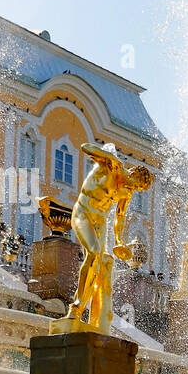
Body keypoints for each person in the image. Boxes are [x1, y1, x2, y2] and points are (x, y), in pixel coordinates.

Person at [58, 143, 153, 334]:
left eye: (138, 189)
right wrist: (107, 157)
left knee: (101, 265)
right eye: (136, 184)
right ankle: (76, 307)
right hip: (83, 213)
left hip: (100, 223)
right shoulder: (112, 166)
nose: (134, 189)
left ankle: (98, 321)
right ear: (133, 173)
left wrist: (119, 240)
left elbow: (119, 217)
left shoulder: (126, 192)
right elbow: (85, 147)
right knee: (93, 254)